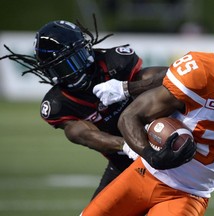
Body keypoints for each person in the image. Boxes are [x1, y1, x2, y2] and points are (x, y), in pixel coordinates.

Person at [80, 19, 214, 215]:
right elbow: (130, 116)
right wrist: (150, 154)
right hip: (143, 174)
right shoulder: (201, 76)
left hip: (190, 194)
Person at [0, 17, 167, 199]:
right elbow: (81, 134)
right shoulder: (58, 104)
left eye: (76, 60)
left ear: (86, 50)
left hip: (162, 140)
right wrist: (129, 147)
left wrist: (127, 88)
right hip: (125, 160)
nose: (74, 71)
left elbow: (172, 76)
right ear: (50, 72)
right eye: (63, 67)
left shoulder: (113, 62)